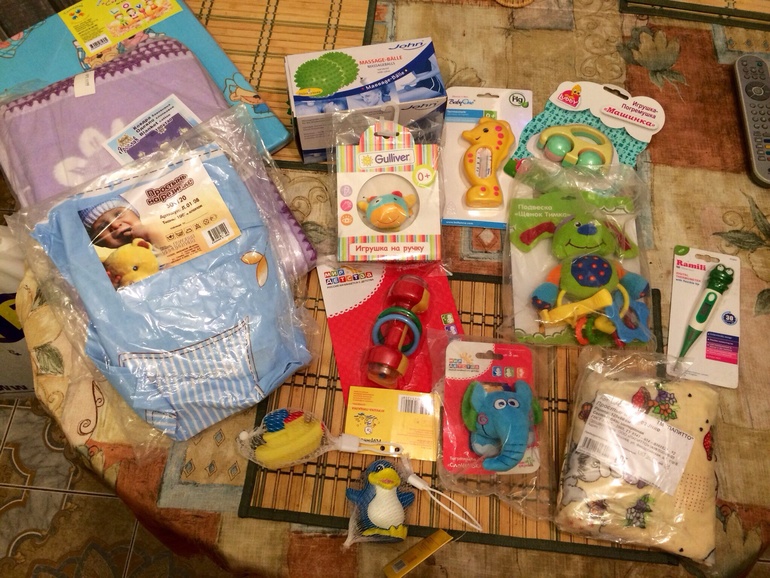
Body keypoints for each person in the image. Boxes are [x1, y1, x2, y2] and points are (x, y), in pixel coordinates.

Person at [79, 199, 159, 249]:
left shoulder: (158, 227)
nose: (115, 224)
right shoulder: (110, 263)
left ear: (135, 213)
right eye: (102, 227)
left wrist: (150, 233)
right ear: (97, 242)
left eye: (118, 214)